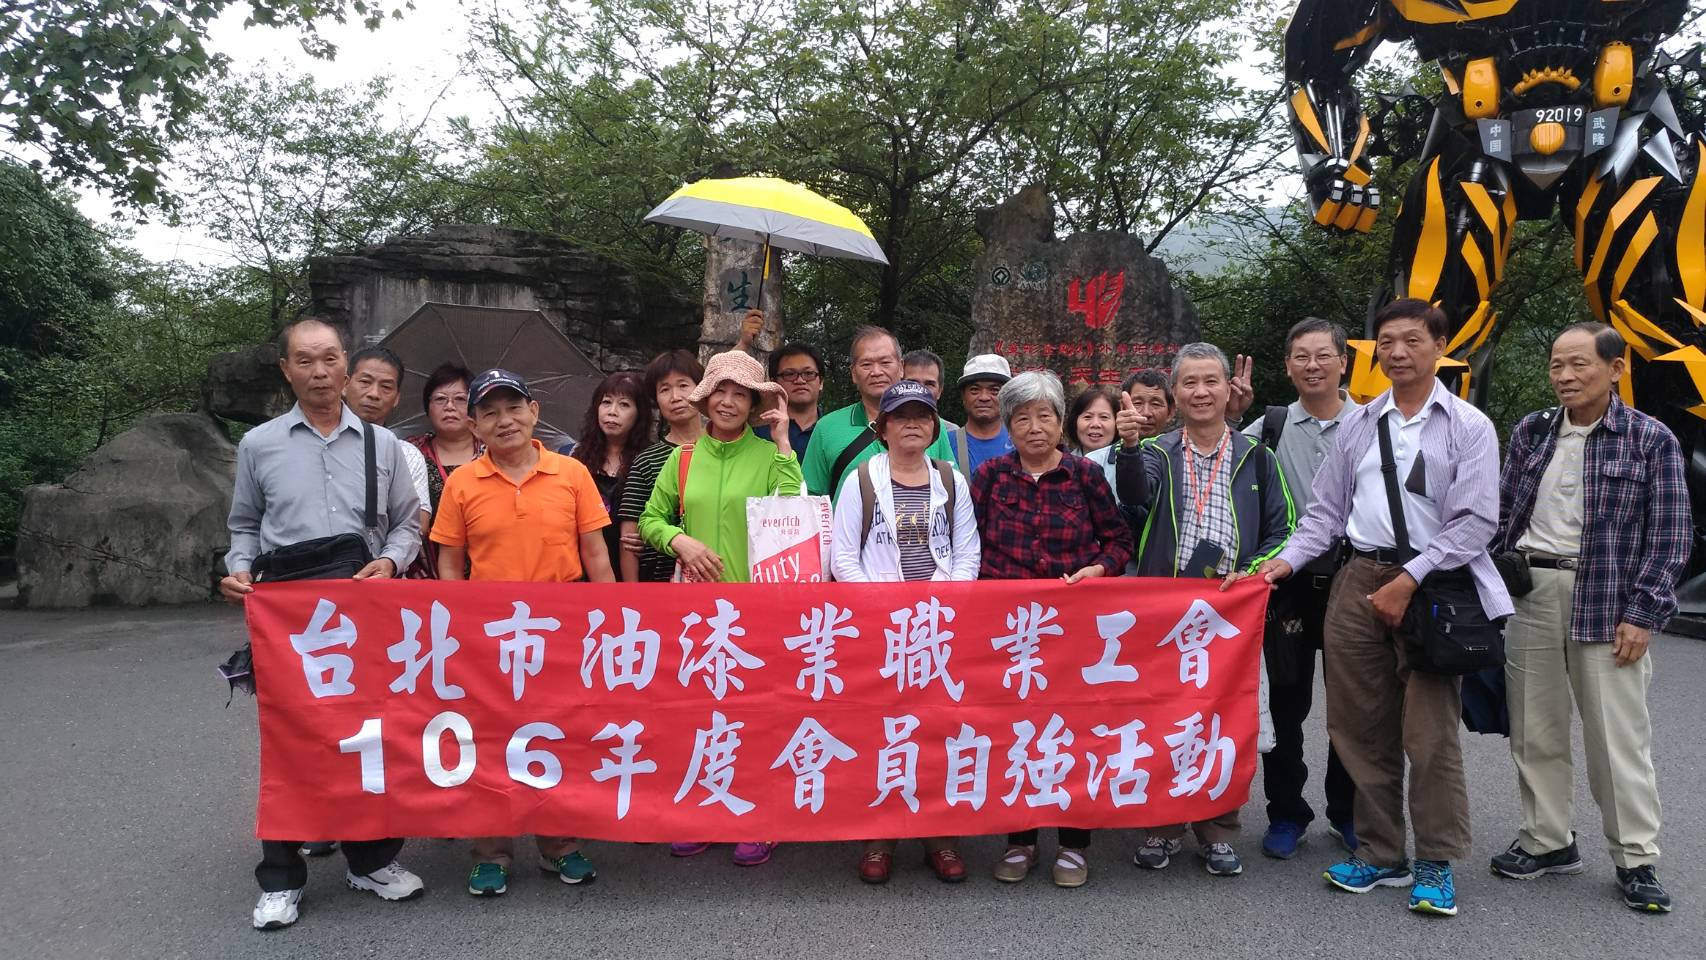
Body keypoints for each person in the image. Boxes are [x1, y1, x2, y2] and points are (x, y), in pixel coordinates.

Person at [1257, 298, 1512, 918]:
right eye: (1388, 342)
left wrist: (1411, 577)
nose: (1398, 352)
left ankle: (1436, 860)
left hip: (1435, 582)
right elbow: (1325, 514)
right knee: (1358, 726)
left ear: (1440, 347)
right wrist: (1282, 563)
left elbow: (1477, 521)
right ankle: (1380, 852)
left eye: (1412, 341)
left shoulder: (1468, 425)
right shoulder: (1361, 423)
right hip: (1358, 577)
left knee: (1428, 733)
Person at [220, 317, 425, 931]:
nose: (319, 372)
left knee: (371, 734)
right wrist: (239, 570)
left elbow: (406, 523)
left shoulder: (384, 446)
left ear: (345, 365)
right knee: (292, 742)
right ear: (286, 369)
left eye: (329, 358)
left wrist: (392, 561)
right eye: (305, 361)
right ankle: (281, 878)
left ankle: (372, 860)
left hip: (364, 615)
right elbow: (244, 526)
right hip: (291, 621)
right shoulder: (259, 444)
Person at [1489, 322, 1688, 914]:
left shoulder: (1650, 439)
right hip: (1532, 590)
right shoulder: (1532, 430)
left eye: (1579, 364)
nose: (1566, 376)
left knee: (1616, 738)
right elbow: (1503, 512)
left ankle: (1636, 857)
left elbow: (1670, 537)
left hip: (1607, 600)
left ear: (1615, 369)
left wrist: (1643, 613)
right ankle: (1547, 840)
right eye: (1557, 365)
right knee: (1534, 728)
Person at [431, 368, 615, 896]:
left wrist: (608, 625)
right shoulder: (463, 483)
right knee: (489, 742)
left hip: (562, 634)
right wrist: (459, 633)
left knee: (559, 736)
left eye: (513, 407)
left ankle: (560, 844)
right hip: (490, 638)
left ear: (534, 412)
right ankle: (490, 852)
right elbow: (451, 564)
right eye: (489, 412)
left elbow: (596, 556)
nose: (504, 420)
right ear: (474, 426)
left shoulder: (571, 473)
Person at [1113, 342, 1292, 879]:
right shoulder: (1157, 451)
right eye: (1189, 382)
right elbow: (1134, 495)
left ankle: (1219, 830)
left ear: (1226, 388)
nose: (1200, 391)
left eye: (1210, 380)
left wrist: (1252, 573)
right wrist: (1128, 446)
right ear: (1175, 393)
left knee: (1223, 720)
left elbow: (1284, 529)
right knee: (1164, 718)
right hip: (1167, 613)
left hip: (1229, 613)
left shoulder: (1257, 456)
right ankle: (1163, 826)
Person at [971, 370, 1133, 889]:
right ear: (1008, 426)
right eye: (1022, 418)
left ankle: (1073, 843)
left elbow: (1119, 540)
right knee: (1015, 731)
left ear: (1061, 421)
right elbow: (967, 545)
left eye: (1044, 415)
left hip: (1072, 629)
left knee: (1073, 731)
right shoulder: (990, 477)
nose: (1034, 427)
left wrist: (1100, 569)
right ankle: (1019, 840)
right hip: (1011, 632)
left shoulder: (1085, 476)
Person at [639, 349, 800, 867]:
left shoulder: (769, 456)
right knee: (700, 715)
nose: (728, 402)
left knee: (758, 716)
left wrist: (783, 443)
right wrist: (678, 541)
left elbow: (793, 516)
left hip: (758, 610)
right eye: (720, 392)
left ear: (753, 404)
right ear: (705, 399)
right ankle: (706, 811)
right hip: (697, 613)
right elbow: (650, 519)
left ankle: (762, 817)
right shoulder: (684, 458)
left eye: (740, 394)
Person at [829, 379, 979, 884]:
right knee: (883, 732)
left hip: (938, 631)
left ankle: (940, 835)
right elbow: (843, 558)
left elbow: (967, 553)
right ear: (883, 428)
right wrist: (883, 609)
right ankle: (880, 837)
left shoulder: (951, 479)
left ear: (934, 426)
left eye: (922, 415)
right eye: (901, 416)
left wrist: (942, 607)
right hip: (882, 631)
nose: (912, 424)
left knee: (938, 732)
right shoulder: (861, 480)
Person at [1239, 318, 1359, 861]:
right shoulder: (1270, 426)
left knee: (1354, 707)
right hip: (1284, 587)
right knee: (1285, 706)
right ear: (1287, 366)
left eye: (1323, 355)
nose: (1313, 366)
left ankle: (1348, 813)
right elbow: (1213, 456)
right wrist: (1234, 413)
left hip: (1353, 582)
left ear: (1343, 362)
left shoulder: (1372, 424)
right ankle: (1286, 813)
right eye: (1301, 357)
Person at [802, 326, 955, 500]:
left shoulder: (930, 425)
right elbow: (810, 499)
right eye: (866, 364)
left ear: (901, 367)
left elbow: (951, 488)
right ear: (853, 373)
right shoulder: (827, 428)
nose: (876, 372)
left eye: (885, 362)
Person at [617, 351, 705, 583]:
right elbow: (629, 540)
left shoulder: (723, 451)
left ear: (702, 388)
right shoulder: (646, 461)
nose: (675, 397)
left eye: (683, 385)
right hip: (660, 583)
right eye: (664, 389)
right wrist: (633, 596)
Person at [569, 372, 654, 580]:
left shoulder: (650, 460)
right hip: (585, 567)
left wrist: (649, 539)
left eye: (624, 405)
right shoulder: (575, 458)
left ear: (639, 414)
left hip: (634, 568)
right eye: (606, 402)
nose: (612, 412)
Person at [405, 363, 483, 578]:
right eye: (440, 399)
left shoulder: (493, 453)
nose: (449, 406)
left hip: (486, 574)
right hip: (421, 575)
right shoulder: (410, 453)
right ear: (427, 407)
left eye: (460, 399)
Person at [344, 345, 431, 538]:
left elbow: (417, 524)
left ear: (397, 398)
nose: (374, 394)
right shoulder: (318, 443)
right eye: (365, 382)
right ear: (345, 384)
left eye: (386, 387)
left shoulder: (406, 454)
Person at [756, 340, 825, 461]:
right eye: (789, 374)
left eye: (808, 373)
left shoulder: (832, 429)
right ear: (774, 383)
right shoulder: (757, 430)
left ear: (821, 382)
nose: (800, 380)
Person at [947, 354, 1014, 474]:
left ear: (1007, 396)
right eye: (975, 390)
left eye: (994, 390)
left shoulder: (1019, 442)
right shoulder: (946, 443)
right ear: (963, 396)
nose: (984, 397)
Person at [1068, 385, 1120, 485]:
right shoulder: (1062, 466)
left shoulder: (1128, 465)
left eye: (1104, 417)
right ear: (1075, 422)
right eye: (1087, 417)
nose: (1095, 424)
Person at [1122, 369, 1175, 441]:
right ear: (1123, 408)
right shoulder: (1107, 448)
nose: (1146, 413)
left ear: (1170, 412)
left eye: (1155, 404)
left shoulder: (1182, 447)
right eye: (1138, 403)